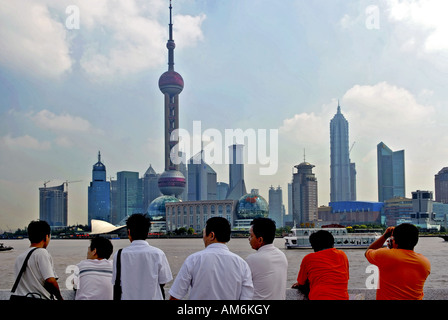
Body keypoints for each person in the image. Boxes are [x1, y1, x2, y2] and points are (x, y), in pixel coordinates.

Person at [169, 217, 253, 300]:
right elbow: (247, 297)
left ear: (212, 235)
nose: (203, 238)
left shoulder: (193, 260)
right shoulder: (242, 264)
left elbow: (175, 295)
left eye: (204, 234)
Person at [111, 213, 172, 300]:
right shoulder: (158, 253)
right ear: (147, 232)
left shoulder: (120, 254)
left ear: (129, 232)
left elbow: (116, 283)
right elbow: (163, 281)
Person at [365, 223, 431, 300]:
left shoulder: (385, 255)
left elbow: (368, 252)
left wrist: (385, 236)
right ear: (416, 241)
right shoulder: (425, 262)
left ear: (394, 241)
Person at [11, 220, 63, 300]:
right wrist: (60, 297)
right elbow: (50, 280)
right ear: (46, 237)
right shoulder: (42, 253)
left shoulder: (20, 257)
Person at [291, 230, 349, 300]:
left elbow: (301, 282)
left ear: (313, 246)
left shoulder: (308, 258)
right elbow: (345, 277)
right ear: (332, 243)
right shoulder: (342, 255)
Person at [245, 217, 288, 299]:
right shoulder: (282, 256)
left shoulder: (252, 259)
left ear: (260, 240)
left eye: (251, 236)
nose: (249, 239)